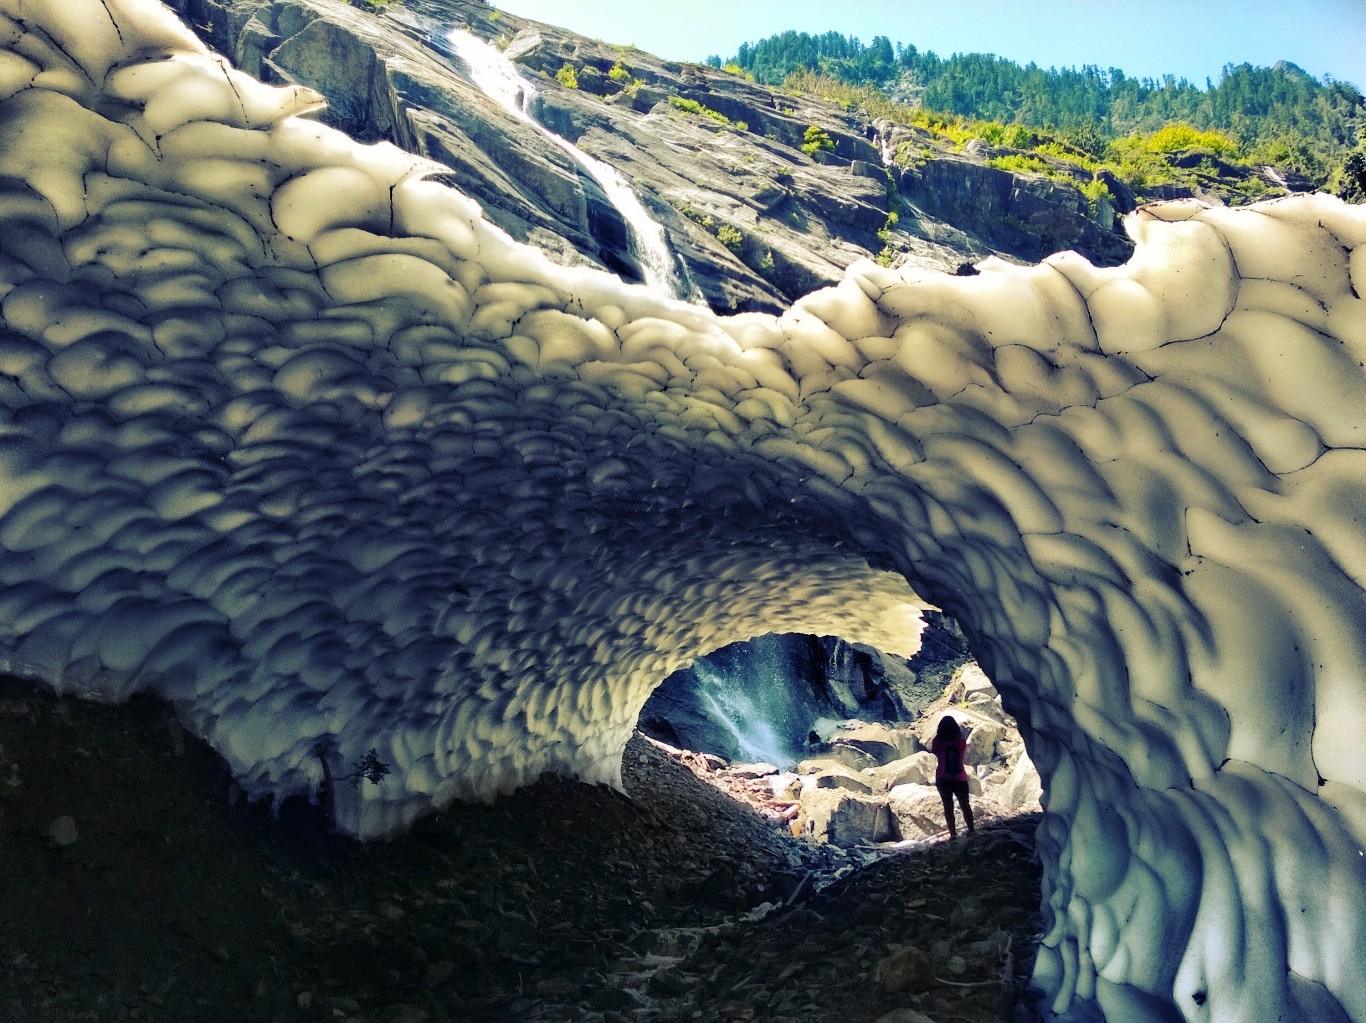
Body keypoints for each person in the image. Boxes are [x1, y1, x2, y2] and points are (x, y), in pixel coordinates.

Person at [930, 715, 974, 839]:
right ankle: (971, 830)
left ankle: (953, 834)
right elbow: (964, 750)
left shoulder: (937, 742)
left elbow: (935, 751)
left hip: (943, 779)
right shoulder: (960, 742)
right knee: (965, 805)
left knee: (948, 807)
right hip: (960, 778)